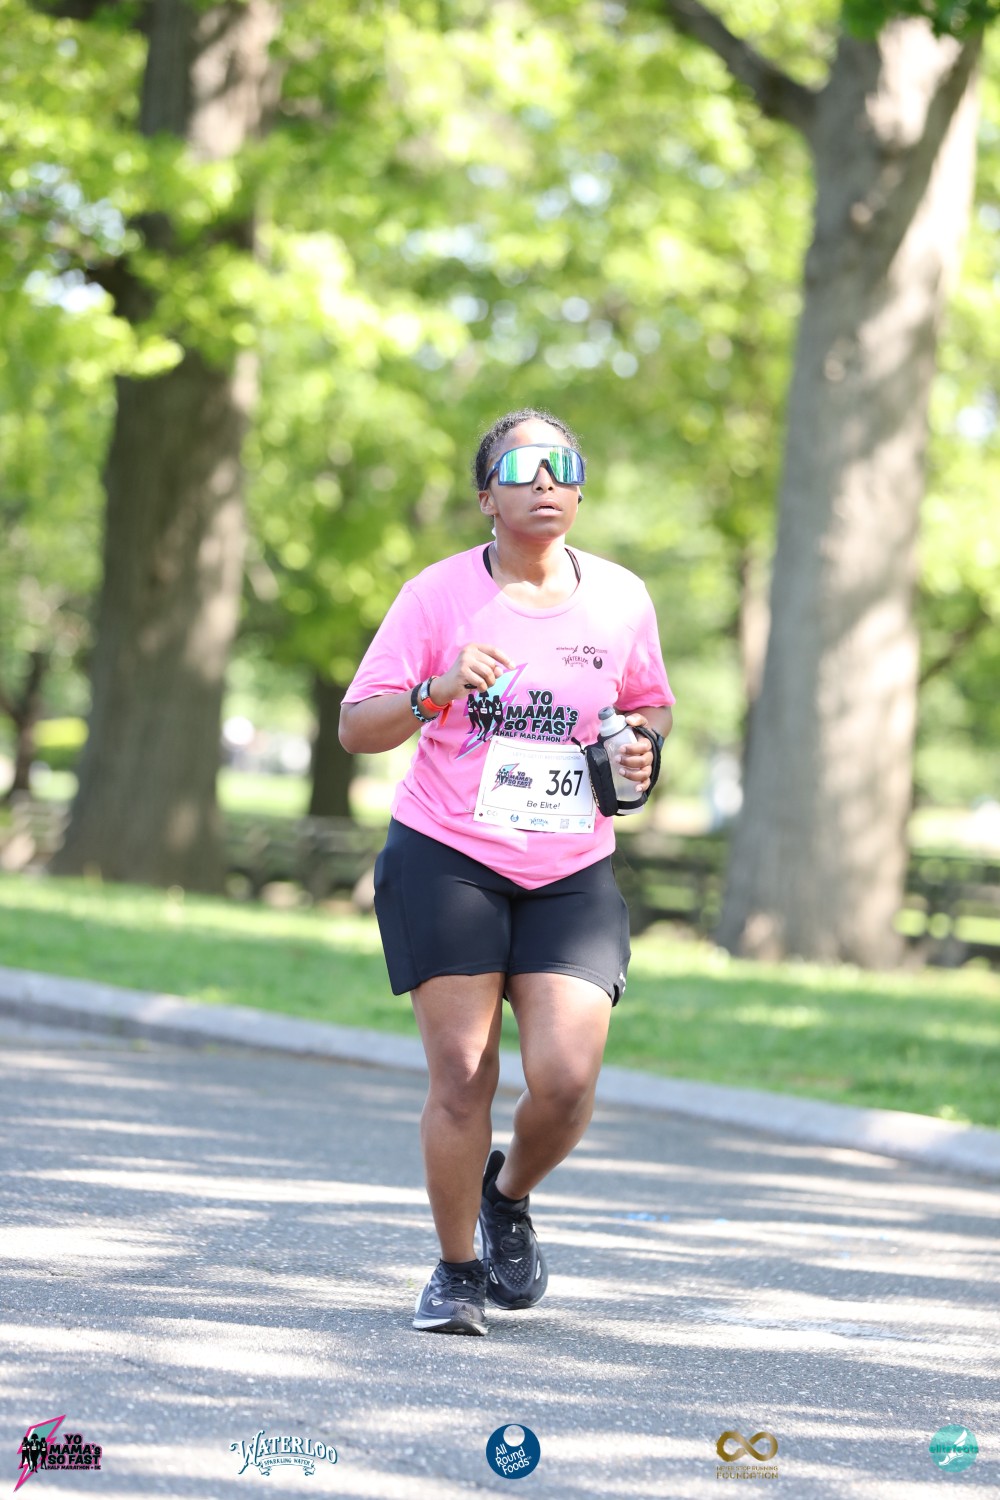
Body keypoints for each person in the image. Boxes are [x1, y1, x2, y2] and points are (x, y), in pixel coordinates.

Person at [338, 408, 673, 1336]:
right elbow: (357, 726)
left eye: (562, 466)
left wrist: (641, 746)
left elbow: (649, 706)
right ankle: (456, 1273)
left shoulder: (620, 598)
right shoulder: (437, 596)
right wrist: (436, 690)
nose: (545, 482)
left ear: (580, 490)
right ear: (488, 496)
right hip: (448, 853)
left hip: (570, 866)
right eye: (523, 469)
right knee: (462, 1071)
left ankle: (508, 1196)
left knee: (565, 1080)